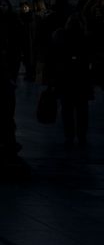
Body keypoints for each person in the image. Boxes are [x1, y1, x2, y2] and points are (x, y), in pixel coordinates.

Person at [46, 14, 93, 146]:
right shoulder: (85, 38)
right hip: (81, 79)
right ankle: (81, 135)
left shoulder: (60, 37)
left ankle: (70, 136)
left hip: (65, 79)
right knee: (81, 110)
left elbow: (53, 59)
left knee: (68, 110)